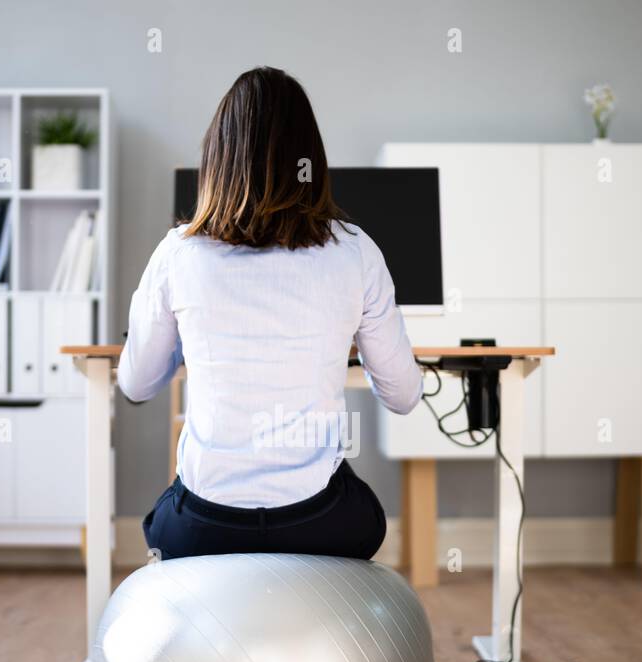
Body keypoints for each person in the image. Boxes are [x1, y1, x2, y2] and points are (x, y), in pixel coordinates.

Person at [118, 66, 423, 561]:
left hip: (203, 526)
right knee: (367, 515)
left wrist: (181, 339)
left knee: (161, 519)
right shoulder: (356, 251)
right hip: (318, 522)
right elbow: (404, 397)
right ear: (311, 159)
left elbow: (136, 384)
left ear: (218, 160)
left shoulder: (178, 253)